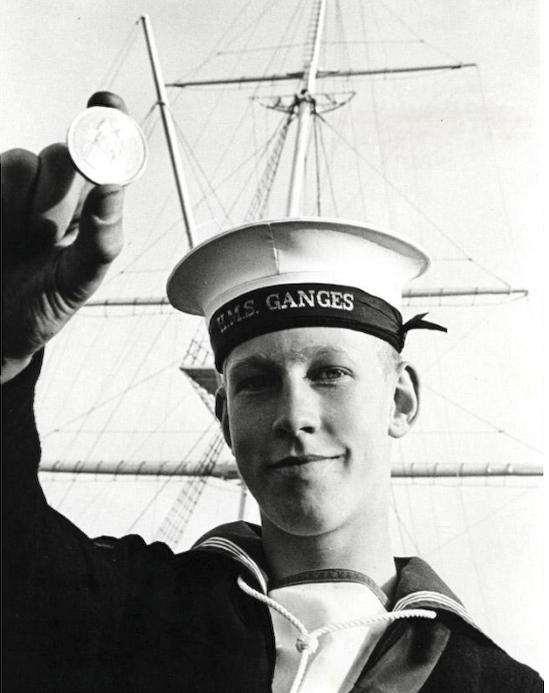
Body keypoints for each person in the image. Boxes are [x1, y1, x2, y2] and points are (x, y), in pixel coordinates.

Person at [2, 94, 542, 693]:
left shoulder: (495, 686)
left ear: (400, 400)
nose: (294, 414)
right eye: (257, 383)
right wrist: (4, 354)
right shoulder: (124, 616)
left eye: (329, 373)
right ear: (225, 417)